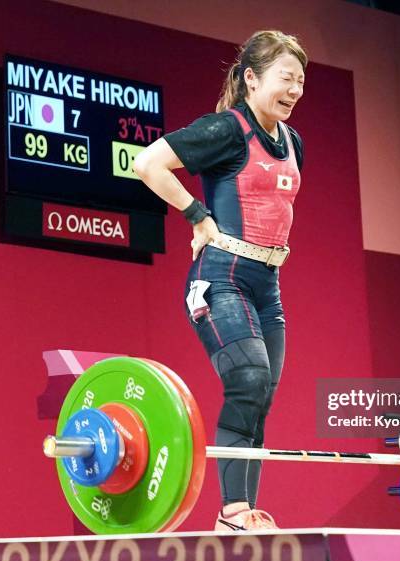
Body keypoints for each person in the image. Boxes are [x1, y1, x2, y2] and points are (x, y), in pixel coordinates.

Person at [133, 30, 307, 531]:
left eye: (300, 81)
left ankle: (244, 513)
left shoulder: (292, 142)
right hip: (222, 275)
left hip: (266, 284)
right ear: (251, 78)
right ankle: (232, 514)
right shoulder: (228, 130)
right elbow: (148, 163)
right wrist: (197, 215)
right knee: (248, 379)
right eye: (284, 78)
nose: (294, 90)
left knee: (262, 396)